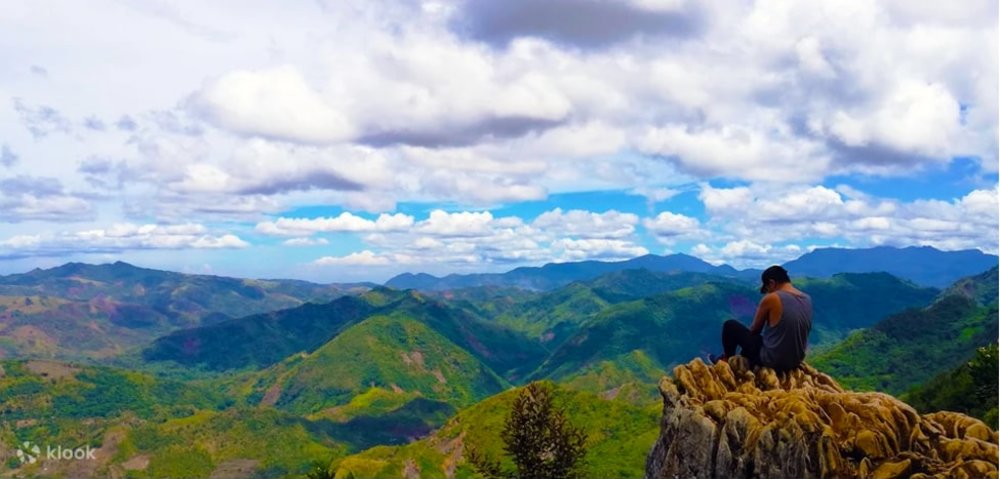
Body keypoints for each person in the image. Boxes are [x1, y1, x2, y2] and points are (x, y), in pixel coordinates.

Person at [711, 265, 812, 372]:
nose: (768, 292)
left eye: (767, 289)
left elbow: (755, 329)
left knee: (730, 325)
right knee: (756, 343)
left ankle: (727, 361)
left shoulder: (772, 298)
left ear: (772, 283)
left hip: (772, 360)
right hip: (795, 361)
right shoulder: (807, 299)